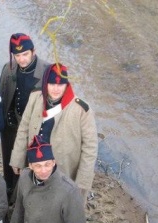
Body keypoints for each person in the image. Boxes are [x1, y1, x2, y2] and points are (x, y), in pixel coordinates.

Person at [10, 63, 98, 204]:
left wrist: (82, 181)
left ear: (66, 84)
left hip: (64, 169)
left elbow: (90, 147)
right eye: (52, 84)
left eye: (60, 84)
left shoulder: (81, 109)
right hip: (36, 164)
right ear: (46, 83)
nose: (56, 89)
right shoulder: (35, 97)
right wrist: (17, 158)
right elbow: (24, 128)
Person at [0, 33, 49, 200]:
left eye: (25, 54)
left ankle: (24, 196)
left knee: (29, 164)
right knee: (9, 162)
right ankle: (9, 188)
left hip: (34, 129)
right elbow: (0, 96)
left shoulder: (47, 72)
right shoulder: (8, 68)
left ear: (33, 51)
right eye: (17, 55)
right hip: (11, 127)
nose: (21, 59)